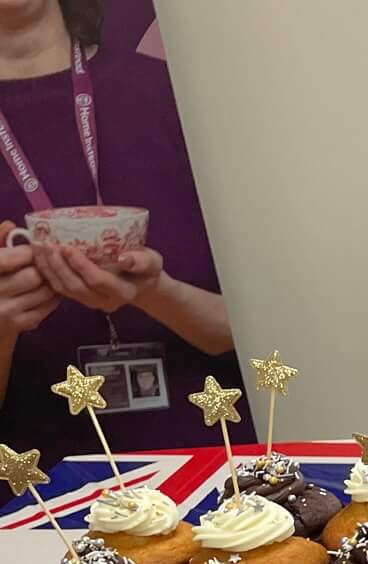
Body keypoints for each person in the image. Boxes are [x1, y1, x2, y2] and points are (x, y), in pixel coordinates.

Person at [0, 0, 249, 458]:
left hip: (218, 475)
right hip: (35, 490)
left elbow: (279, 333)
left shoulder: (176, 96)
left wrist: (157, 293)